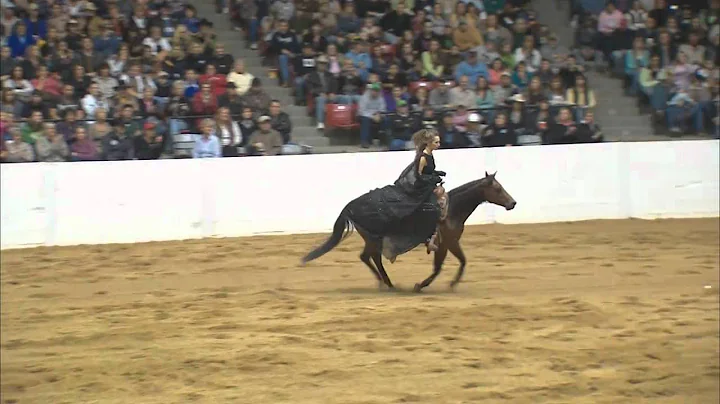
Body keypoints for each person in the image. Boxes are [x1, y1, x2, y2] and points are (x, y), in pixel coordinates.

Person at [344, 129, 447, 263]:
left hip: (426, 185)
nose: (438, 144)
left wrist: (436, 173)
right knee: (431, 208)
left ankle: (431, 235)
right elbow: (418, 176)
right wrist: (432, 179)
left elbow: (428, 171)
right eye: (436, 142)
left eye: (438, 142)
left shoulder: (430, 155)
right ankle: (428, 237)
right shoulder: (423, 157)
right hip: (420, 188)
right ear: (428, 143)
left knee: (441, 198)